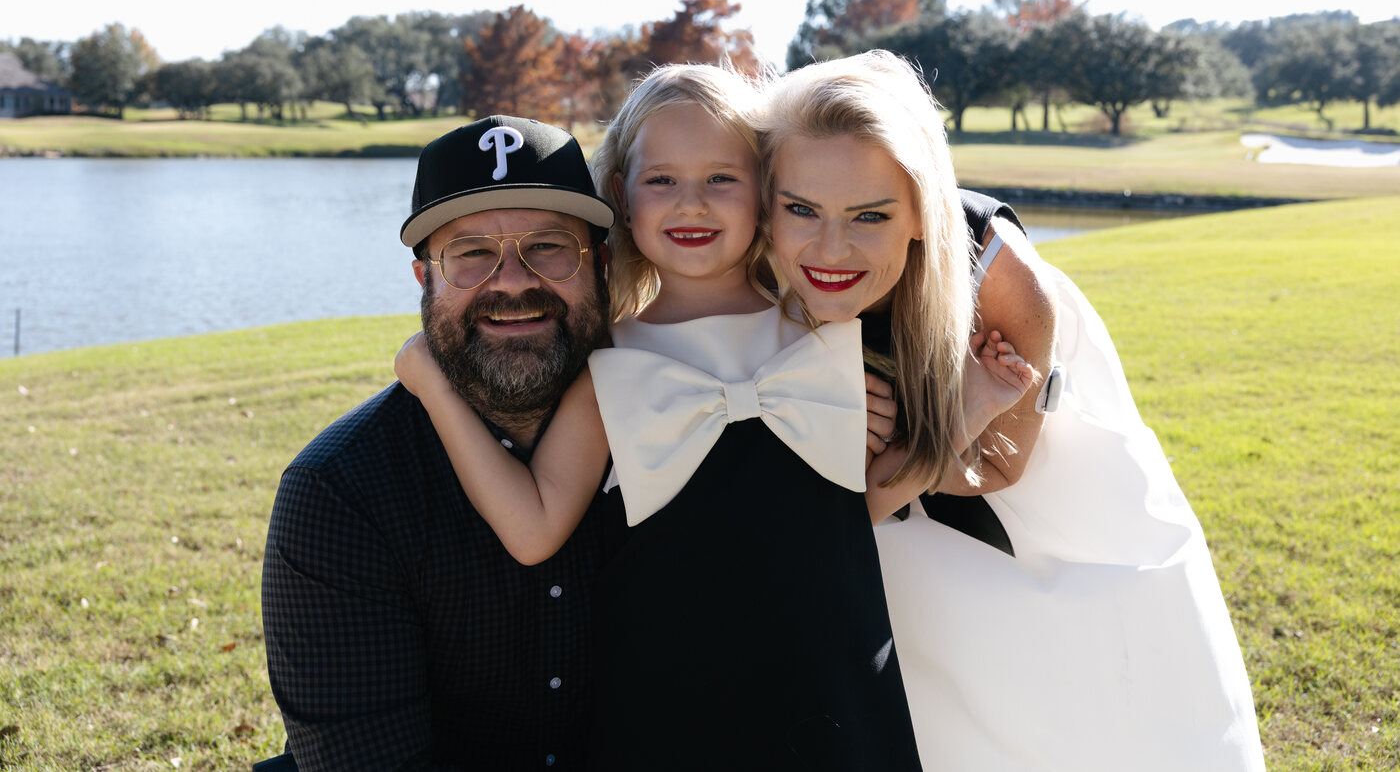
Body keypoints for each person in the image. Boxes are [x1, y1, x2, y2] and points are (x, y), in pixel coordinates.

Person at [394, 63, 1037, 771]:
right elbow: (532, 526)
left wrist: (973, 406)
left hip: (837, 690)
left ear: (766, 194)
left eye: (721, 179)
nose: (691, 204)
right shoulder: (612, 365)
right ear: (622, 198)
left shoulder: (823, 335)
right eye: (662, 180)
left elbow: (853, 514)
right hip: (674, 709)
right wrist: (435, 388)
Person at [759, 50, 1266, 771]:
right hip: (881, 505)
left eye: (871, 215)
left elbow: (995, 470)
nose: (831, 247)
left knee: (1090, 697)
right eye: (801, 209)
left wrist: (941, 419)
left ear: (921, 212)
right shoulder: (751, 253)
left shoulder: (999, 278)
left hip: (1029, 510)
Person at [260, 116, 624, 771]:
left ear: (599, 265)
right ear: (423, 278)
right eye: (471, 252)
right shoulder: (341, 492)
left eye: (549, 246)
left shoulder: (680, 437)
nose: (512, 280)